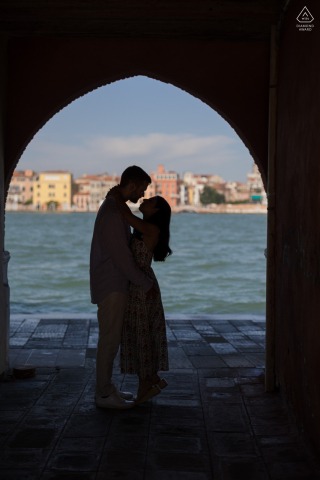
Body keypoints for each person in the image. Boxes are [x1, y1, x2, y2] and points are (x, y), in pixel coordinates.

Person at [90, 165, 156, 410]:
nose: (142, 194)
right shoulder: (113, 212)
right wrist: (144, 282)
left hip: (113, 282)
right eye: (142, 188)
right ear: (132, 185)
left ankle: (106, 388)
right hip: (112, 283)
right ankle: (104, 393)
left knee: (111, 338)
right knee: (109, 339)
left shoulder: (115, 207)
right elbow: (121, 256)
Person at [111, 191, 172, 404]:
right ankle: (149, 380)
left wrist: (115, 197)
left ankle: (146, 383)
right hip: (141, 282)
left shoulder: (150, 228)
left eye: (151, 201)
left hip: (142, 287)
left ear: (156, 212)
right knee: (141, 332)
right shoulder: (143, 228)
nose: (144, 200)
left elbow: (126, 216)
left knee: (142, 332)